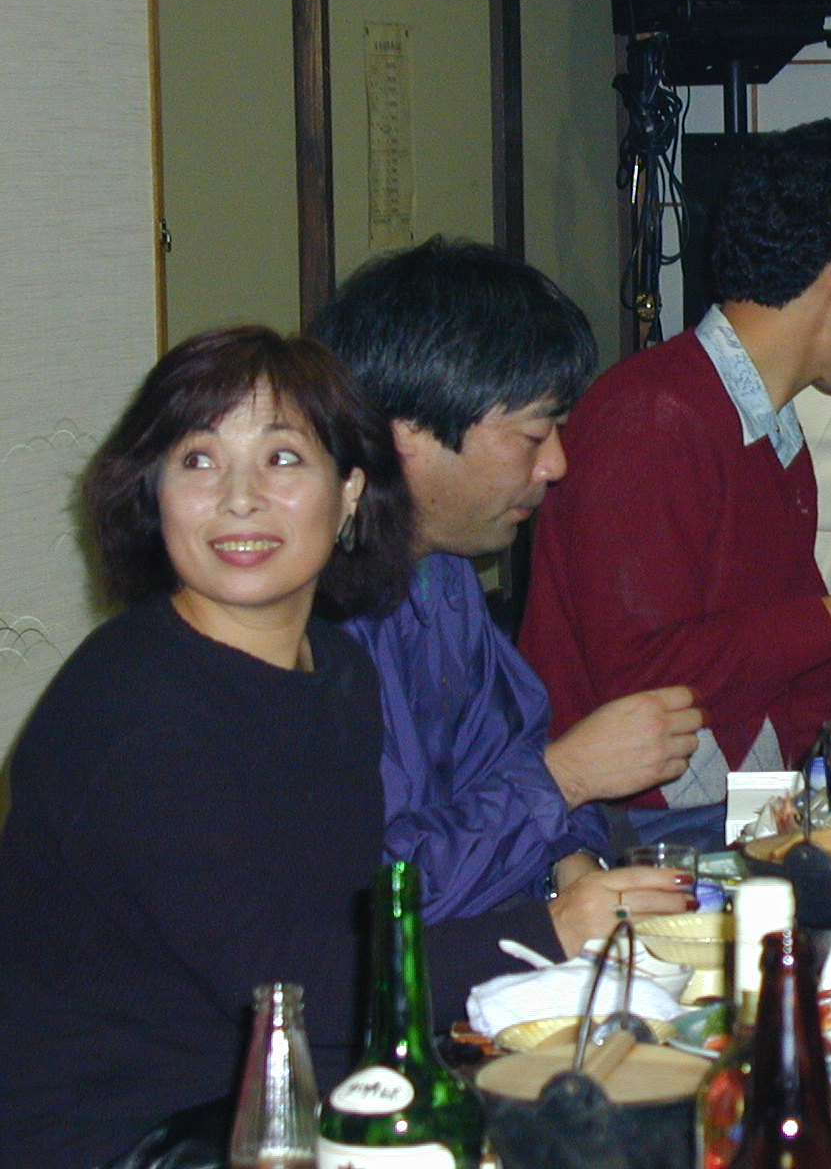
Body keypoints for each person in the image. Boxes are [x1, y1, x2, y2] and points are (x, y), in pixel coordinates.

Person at [0, 327, 537, 1169]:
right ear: (154, 494)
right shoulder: (131, 705)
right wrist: (546, 933)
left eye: (282, 459)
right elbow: (284, 982)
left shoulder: (339, 668)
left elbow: (339, 929)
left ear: (351, 492)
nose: (239, 499)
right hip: (130, 1135)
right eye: (198, 460)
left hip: (283, 1099)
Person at [524, 120, 831, 850]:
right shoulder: (653, 414)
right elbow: (639, 678)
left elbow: (793, 665)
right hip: (637, 824)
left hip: (740, 800)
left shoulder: (768, 416)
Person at [310, 237, 700, 947]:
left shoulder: (444, 575)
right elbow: (370, 899)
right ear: (410, 433)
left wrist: (572, 867)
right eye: (535, 434)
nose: (557, 465)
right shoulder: (306, 622)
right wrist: (571, 776)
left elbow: (510, 750)